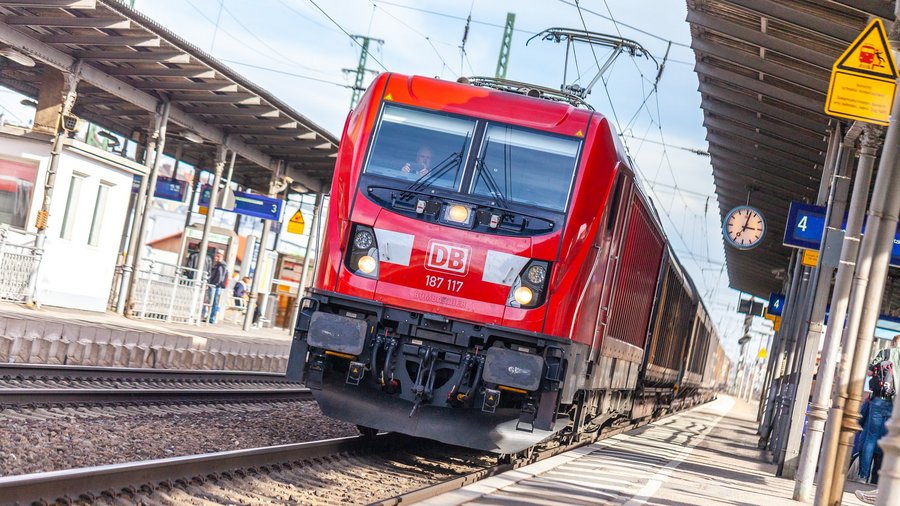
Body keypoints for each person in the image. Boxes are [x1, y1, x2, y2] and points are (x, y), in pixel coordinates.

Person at [855, 334, 900, 484]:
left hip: (880, 400)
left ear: (894, 342)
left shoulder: (885, 353)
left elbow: (869, 372)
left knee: (871, 438)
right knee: (887, 440)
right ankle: (878, 478)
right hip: (897, 405)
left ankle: (863, 476)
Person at [205, 250, 228, 324]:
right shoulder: (218, 265)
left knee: (214, 302)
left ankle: (212, 318)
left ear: (220, 257)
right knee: (213, 301)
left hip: (215, 286)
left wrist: (214, 284)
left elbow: (220, 277)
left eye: (217, 256)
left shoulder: (221, 265)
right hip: (215, 286)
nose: (215, 257)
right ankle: (210, 317)